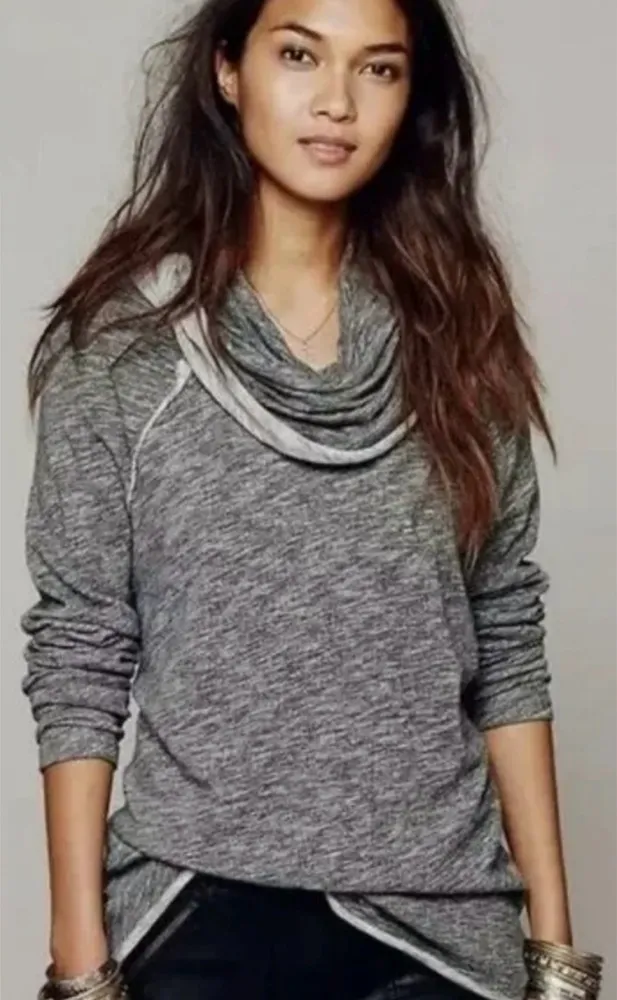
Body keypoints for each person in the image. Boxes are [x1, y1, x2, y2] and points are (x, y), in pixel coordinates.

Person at [21, 1, 603, 999]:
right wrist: (82, 962)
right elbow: (80, 648)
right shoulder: (121, 357)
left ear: (409, 97)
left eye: (377, 69)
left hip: (440, 931)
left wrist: (553, 952)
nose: (336, 101)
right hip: (196, 913)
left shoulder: (457, 341)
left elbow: (503, 630)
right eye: (298, 54)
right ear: (227, 70)